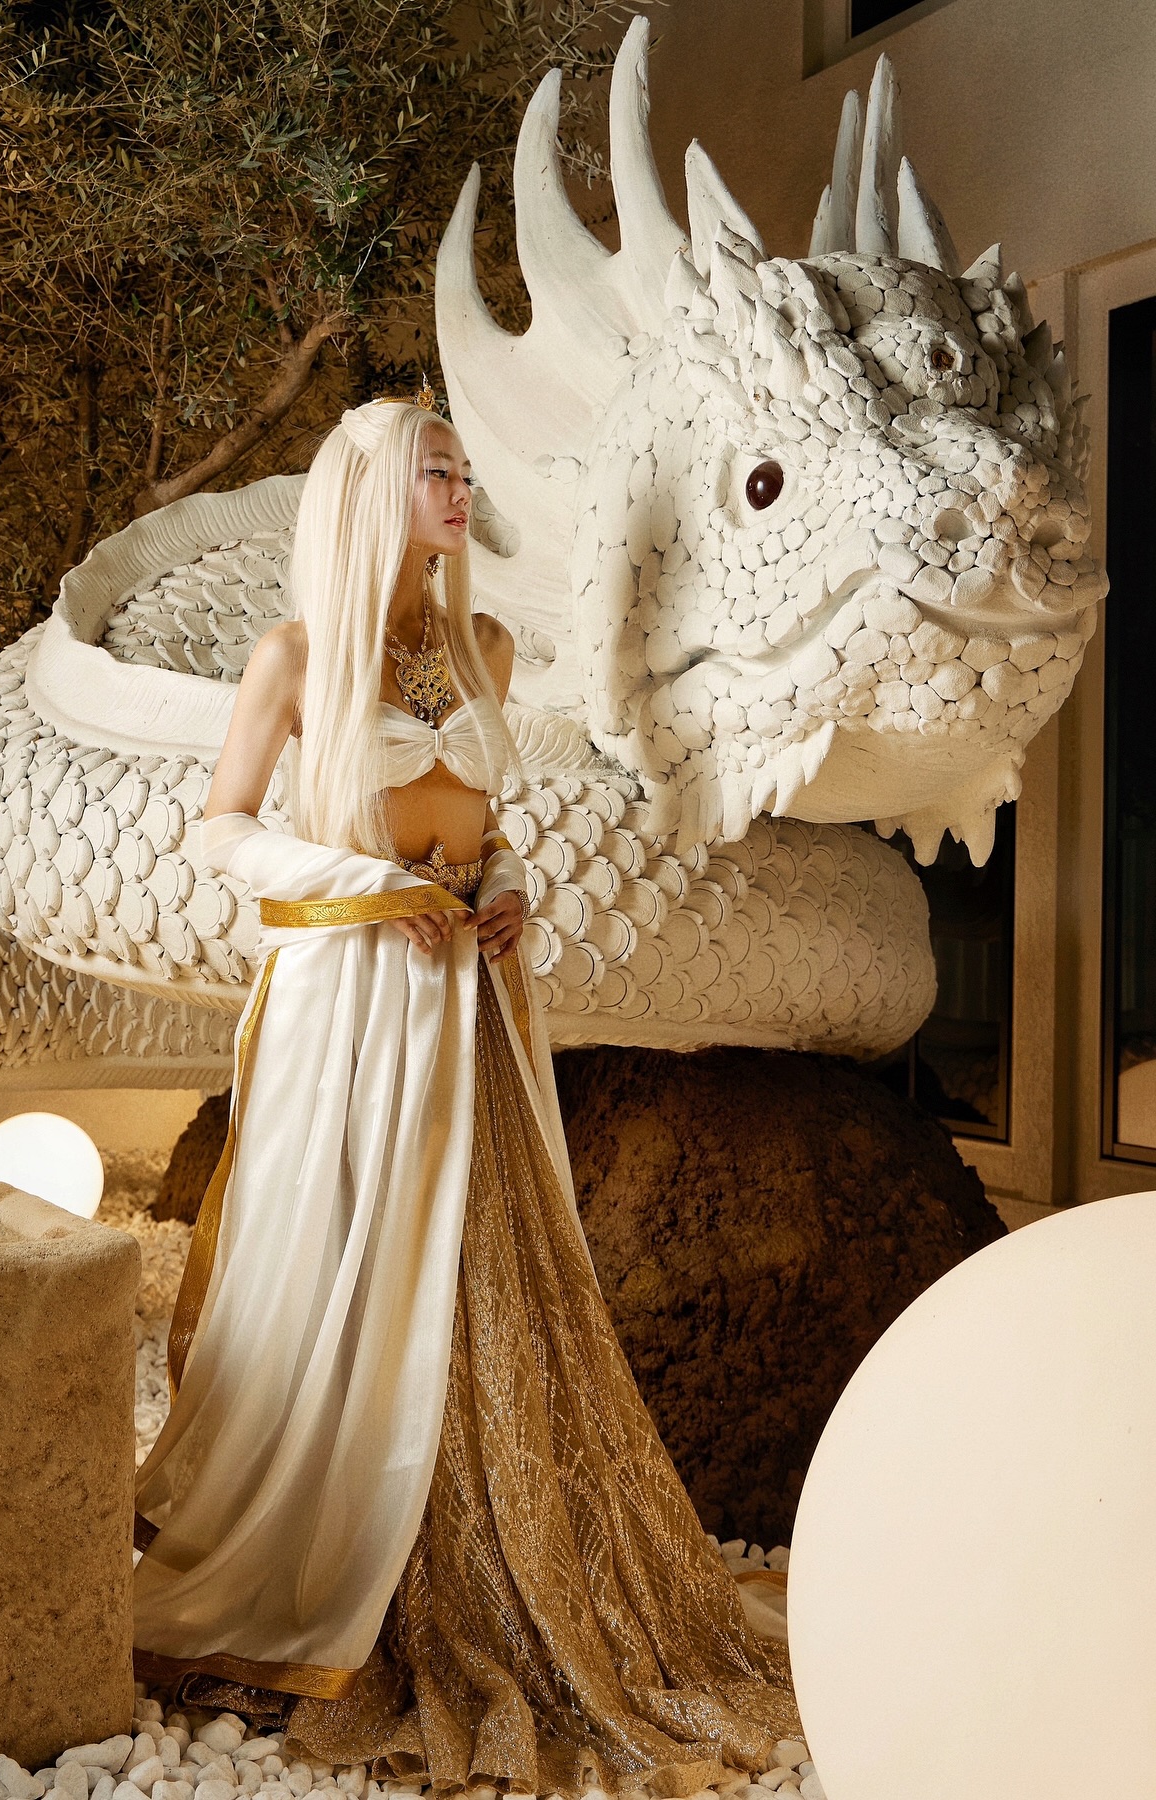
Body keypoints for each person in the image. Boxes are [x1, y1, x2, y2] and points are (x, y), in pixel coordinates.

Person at [131, 395, 799, 1795]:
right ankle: (326, 1566)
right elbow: (223, 830)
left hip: (468, 1008)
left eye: (460, 468)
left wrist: (507, 889)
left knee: (491, 1265)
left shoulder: (481, 646)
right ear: (373, 490)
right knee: (342, 1263)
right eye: (434, 470)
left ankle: (494, 1551)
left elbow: (491, 831)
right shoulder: (295, 657)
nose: (458, 488)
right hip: (351, 1002)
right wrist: (362, 884)